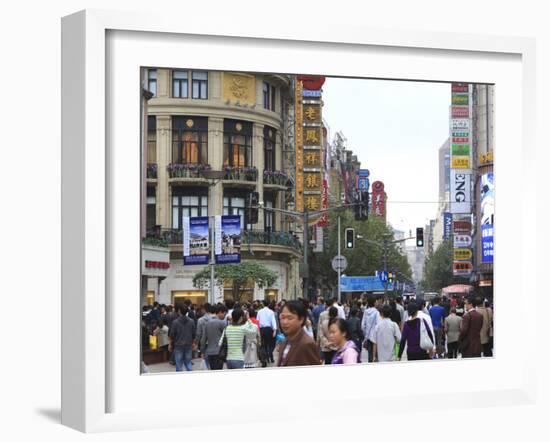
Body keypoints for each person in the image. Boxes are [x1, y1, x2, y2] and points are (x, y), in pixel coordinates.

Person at [277, 300, 321, 367]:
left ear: (301, 319)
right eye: (282, 318)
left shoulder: (307, 344)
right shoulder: (285, 341)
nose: (285, 322)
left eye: (290, 318)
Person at [168, 305, 196, 372]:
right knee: (188, 363)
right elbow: (194, 334)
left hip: (178, 345)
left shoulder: (175, 322)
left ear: (179, 311)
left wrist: (170, 344)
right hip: (188, 344)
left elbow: (172, 335)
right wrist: (194, 343)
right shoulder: (191, 321)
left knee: (179, 364)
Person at [200, 305, 226, 370]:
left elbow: (203, 339)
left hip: (209, 352)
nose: (224, 316)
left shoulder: (207, 323)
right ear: (220, 312)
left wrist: (202, 351)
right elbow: (225, 337)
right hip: (219, 352)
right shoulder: (222, 323)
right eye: (224, 314)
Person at [257, 300, 278, 366]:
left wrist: (258, 330)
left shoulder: (259, 311)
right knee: (270, 344)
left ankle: (264, 358)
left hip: (261, 329)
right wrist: (274, 330)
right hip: (269, 329)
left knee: (263, 345)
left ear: (263, 304)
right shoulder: (271, 312)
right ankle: (269, 356)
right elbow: (273, 321)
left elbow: (258, 321)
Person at [361, 295, 381, 362]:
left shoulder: (365, 312)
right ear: (374, 302)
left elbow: (363, 325)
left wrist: (366, 334)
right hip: (375, 338)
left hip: (368, 337)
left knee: (370, 355)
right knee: (375, 356)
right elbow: (378, 326)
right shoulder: (377, 313)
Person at [195, 303, 214, 368]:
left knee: (206, 361)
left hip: (205, 343)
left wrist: (196, 343)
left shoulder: (200, 320)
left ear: (204, 309)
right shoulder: (215, 318)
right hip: (214, 342)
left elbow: (198, 333)